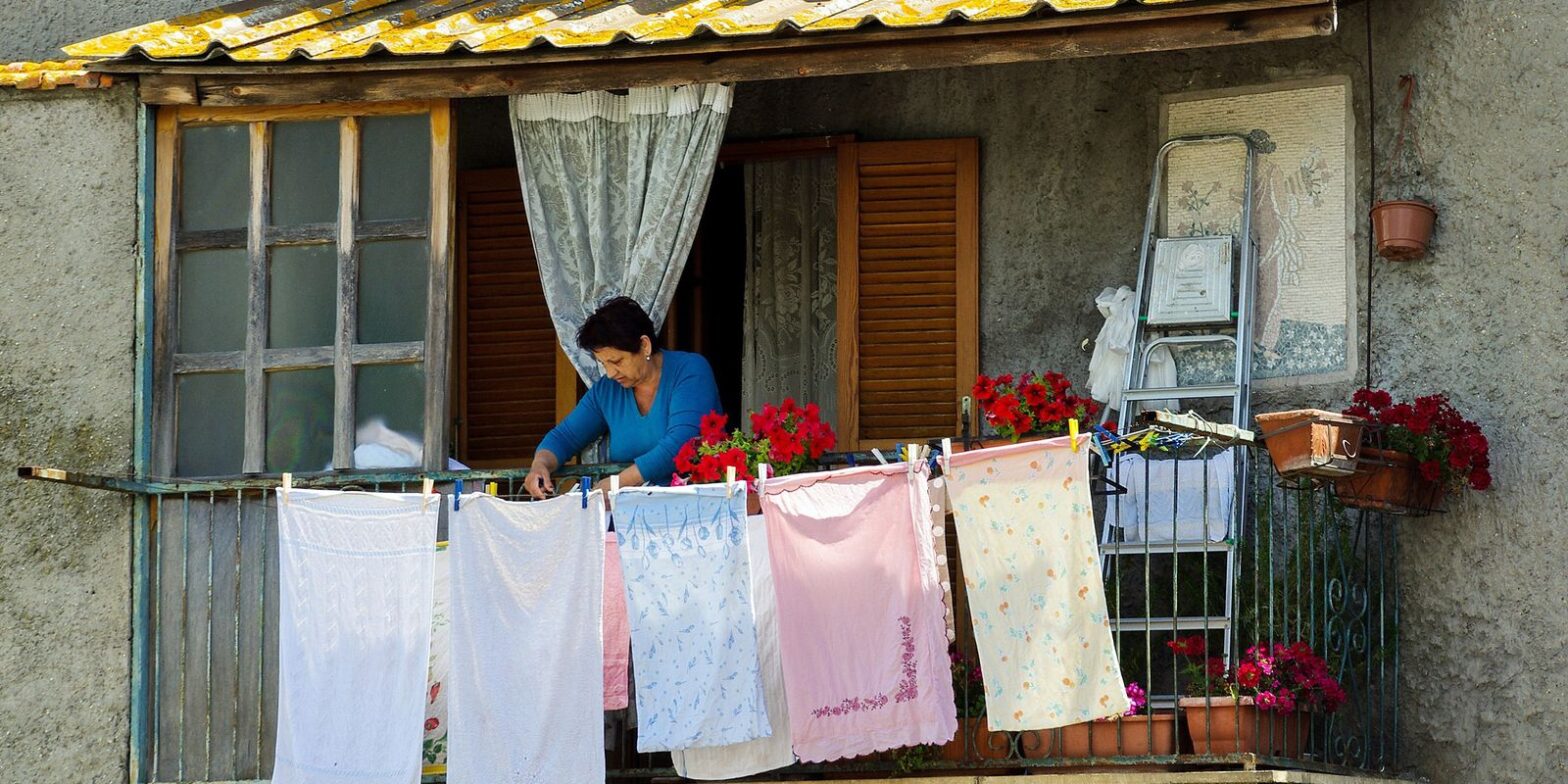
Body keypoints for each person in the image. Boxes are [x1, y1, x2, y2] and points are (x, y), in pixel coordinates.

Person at [525, 296, 722, 499]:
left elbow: (681, 442)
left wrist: (619, 483)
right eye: (603, 364)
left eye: (617, 361)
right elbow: (565, 437)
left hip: (695, 504)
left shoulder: (690, 370)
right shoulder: (607, 390)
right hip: (630, 509)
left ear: (644, 345)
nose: (610, 373)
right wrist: (540, 464)